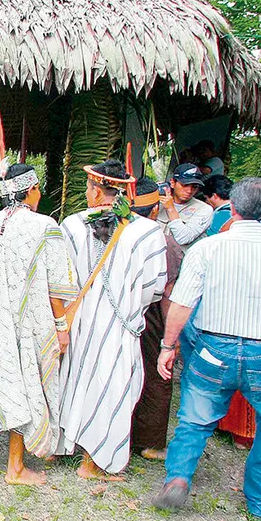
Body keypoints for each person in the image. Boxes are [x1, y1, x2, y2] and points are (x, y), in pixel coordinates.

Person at [153, 178, 261, 520]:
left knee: (194, 421)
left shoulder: (208, 248)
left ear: (233, 209)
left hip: (213, 350)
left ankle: (178, 478)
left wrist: (168, 346)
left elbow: (181, 304)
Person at [0, 163, 77, 486]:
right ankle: (15, 467)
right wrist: (62, 326)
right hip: (26, 325)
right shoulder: (45, 226)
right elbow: (57, 288)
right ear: (32, 190)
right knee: (23, 381)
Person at [57, 159, 167, 480]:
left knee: (75, 381)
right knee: (114, 388)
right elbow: (155, 288)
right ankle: (95, 462)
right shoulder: (149, 232)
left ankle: (70, 446)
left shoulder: (72, 226)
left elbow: (62, 280)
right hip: (122, 326)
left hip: (79, 322)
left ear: (94, 190)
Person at [128, 179, 184, 461]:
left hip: (118, 312)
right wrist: (170, 340)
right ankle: (149, 442)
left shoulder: (111, 232)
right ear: (153, 211)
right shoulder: (163, 241)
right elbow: (168, 293)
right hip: (150, 314)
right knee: (156, 374)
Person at [157, 163, 213, 247]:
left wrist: (171, 209)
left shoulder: (204, 209)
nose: (189, 191)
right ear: (172, 183)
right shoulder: (159, 202)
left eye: (194, 187)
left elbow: (183, 238)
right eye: (185, 185)